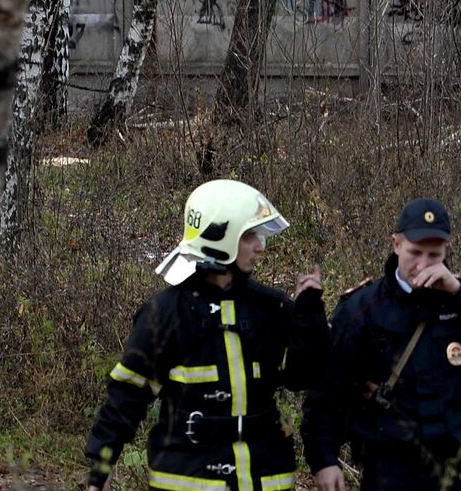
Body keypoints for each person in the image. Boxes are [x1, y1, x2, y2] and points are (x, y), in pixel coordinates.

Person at [85, 179, 330, 491]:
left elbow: (304, 377)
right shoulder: (166, 313)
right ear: (220, 237)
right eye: (250, 235)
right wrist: (99, 472)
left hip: (265, 476)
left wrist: (309, 317)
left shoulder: (271, 307)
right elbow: (127, 398)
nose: (261, 246)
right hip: (188, 477)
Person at [302, 198, 461, 491]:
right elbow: (327, 388)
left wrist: (458, 292)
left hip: (451, 467)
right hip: (388, 466)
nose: (422, 264)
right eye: (415, 252)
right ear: (396, 245)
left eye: (434, 254)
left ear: (447, 249)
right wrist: (323, 460)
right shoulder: (364, 307)